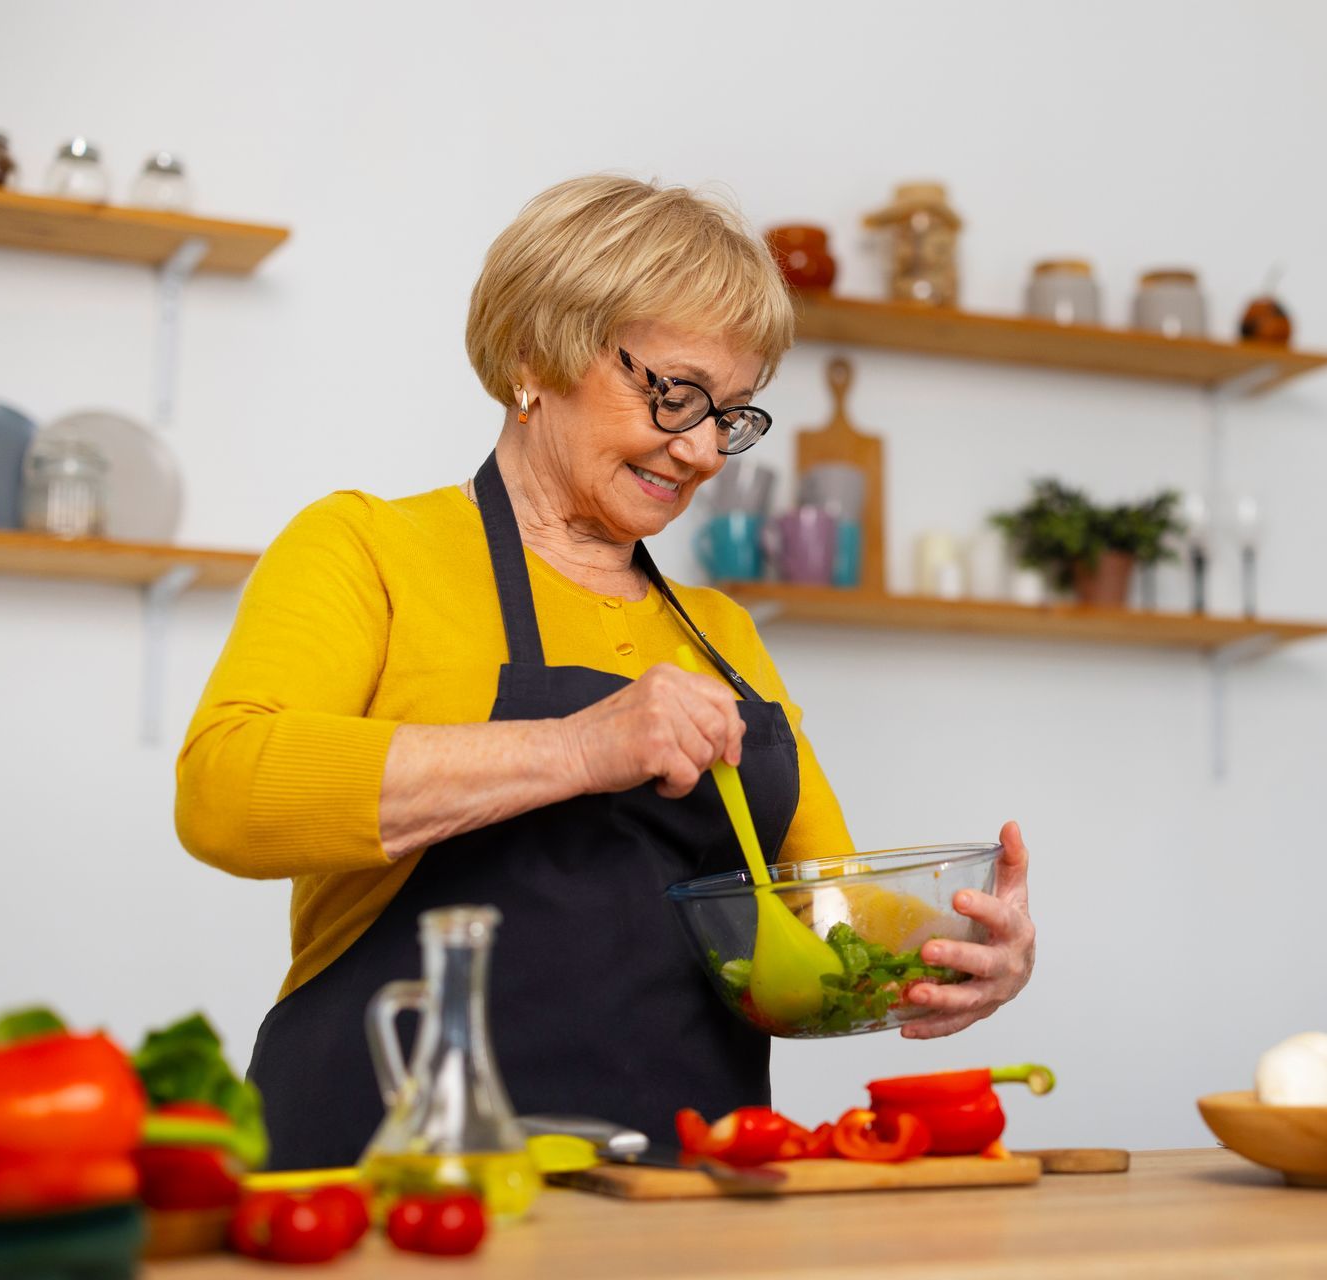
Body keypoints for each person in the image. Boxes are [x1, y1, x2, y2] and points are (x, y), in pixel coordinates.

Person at [176, 175, 1037, 1169]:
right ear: (536, 354)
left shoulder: (720, 632)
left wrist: (953, 947)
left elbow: (819, 915)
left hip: (676, 1193)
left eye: (733, 414)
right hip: (395, 1175)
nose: (705, 448)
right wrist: (584, 743)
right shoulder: (367, 548)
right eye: (675, 393)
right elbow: (225, 789)